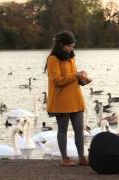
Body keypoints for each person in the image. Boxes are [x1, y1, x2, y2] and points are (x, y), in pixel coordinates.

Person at [44, 31, 90, 166]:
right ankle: (65, 158)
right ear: (60, 45)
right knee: (63, 130)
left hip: (76, 99)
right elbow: (57, 81)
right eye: (69, 46)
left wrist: (82, 80)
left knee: (79, 130)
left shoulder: (71, 57)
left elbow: (72, 77)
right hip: (61, 101)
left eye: (73, 46)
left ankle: (82, 157)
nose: (71, 48)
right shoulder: (53, 59)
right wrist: (76, 75)